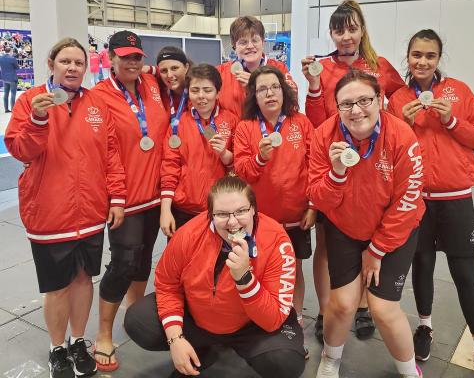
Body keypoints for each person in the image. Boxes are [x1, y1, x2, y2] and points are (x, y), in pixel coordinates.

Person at [4, 38, 126, 378]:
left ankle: (77, 341)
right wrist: (39, 118)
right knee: (57, 286)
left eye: (78, 63)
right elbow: (21, 150)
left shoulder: (97, 104)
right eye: (66, 62)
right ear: (51, 64)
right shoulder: (31, 101)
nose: (73, 68)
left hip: (89, 213)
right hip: (49, 214)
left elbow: (112, 155)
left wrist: (116, 198)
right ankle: (58, 348)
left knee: (84, 278)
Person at [124, 175, 306, 378]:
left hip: (251, 326)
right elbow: (167, 285)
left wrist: (245, 279)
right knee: (138, 322)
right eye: (221, 214)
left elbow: (272, 320)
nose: (232, 222)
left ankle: (226, 347)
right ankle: (201, 349)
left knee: (286, 363)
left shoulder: (276, 241)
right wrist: (175, 339)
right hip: (199, 319)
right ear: (210, 215)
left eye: (241, 211)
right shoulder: (188, 235)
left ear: (254, 209)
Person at [309, 69, 424, 378]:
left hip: (394, 229)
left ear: (380, 100)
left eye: (364, 100)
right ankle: (330, 359)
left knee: (383, 310)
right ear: (336, 106)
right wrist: (336, 173)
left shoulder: (401, 135)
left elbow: (408, 200)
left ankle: (409, 371)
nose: (356, 110)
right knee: (343, 304)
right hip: (345, 227)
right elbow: (319, 199)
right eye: (346, 104)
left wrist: (376, 249)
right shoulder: (324, 134)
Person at [302, 0, 405, 342]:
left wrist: (397, 113)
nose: (345, 36)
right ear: (330, 32)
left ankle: (361, 306)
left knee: (366, 240)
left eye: (351, 28)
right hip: (334, 172)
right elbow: (317, 123)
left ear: (361, 30)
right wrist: (315, 88)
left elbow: (402, 102)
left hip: (374, 172)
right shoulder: (321, 67)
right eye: (338, 29)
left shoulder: (380, 66)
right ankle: (325, 309)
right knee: (328, 246)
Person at [387, 29, 474, 368]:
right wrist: (402, 122)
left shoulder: (459, 92)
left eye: (430, 55)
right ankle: (424, 326)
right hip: (418, 199)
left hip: (455, 197)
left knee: (464, 272)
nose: (422, 61)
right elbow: (389, 147)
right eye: (417, 55)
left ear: (438, 59)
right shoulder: (397, 99)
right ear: (408, 57)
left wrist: (450, 119)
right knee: (422, 264)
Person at [90, 31, 169, 372]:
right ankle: (103, 332)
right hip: (125, 198)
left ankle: (133, 316)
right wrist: (116, 196)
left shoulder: (152, 85)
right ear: (110, 57)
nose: (132, 62)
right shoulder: (99, 96)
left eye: (137, 56)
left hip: (155, 195)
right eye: (125, 57)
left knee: (142, 260)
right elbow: (106, 153)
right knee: (123, 262)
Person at [234, 65, 315, 355]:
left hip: (296, 217)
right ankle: (262, 323)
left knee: (294, 272)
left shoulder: (301, 123)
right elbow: (242, 171)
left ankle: (295, 323)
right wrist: (260, 157)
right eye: (262, 89)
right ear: (253, 96)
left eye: (275, 87)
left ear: (284, 91)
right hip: (260, 221)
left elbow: (314, 166)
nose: (270, 93)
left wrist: (312, 205)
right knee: (258, 271)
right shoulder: (246, 128)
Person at [160, 63, 237, 237]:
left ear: (218, 92)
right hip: (183, 209)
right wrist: (165, 210)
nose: (201, 96)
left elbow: (239, 166)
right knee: (183, 262)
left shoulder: (231, 121)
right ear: (189, 92)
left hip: (220, 209)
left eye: (207, 90)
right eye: (195, 90)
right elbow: (169, 167)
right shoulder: (178, 125)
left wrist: (225, 154)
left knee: (217, 263)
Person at [217, 16, 297, 118]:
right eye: (243, 42)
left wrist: (256, 87)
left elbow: (292, 104)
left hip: (268, 132)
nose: (250, 46)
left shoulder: (279, 69)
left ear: (262, 42)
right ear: (234, 45)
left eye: (255, 40)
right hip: (231, 132)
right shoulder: (220, 72)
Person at [0, 46, 19, 112]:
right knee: (13, 94)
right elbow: (17, 67)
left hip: (5, 78)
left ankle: (6, 109)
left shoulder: (1, 58)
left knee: (6, 94)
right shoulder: (12, 59)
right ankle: (13, 109)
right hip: (12, 78)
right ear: (10, 51)